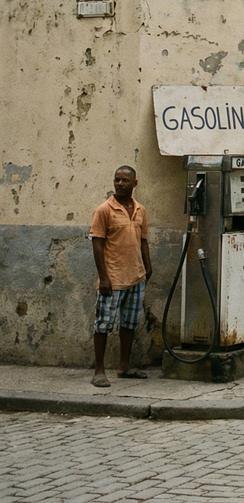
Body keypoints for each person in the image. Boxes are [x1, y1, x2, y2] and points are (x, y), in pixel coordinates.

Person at [90, 165, 152, 387]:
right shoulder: (104, 210)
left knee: (129, 323)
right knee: (103, 324)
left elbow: (143, 239)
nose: (120, 184)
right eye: (117, 180)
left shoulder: (140, 210)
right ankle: (99, 371)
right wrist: (104, 277)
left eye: (125, 180)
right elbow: (97, 245)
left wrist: (147, 266)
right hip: (113, 279)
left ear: (134, 183)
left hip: (135, 277)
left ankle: (123, 366)